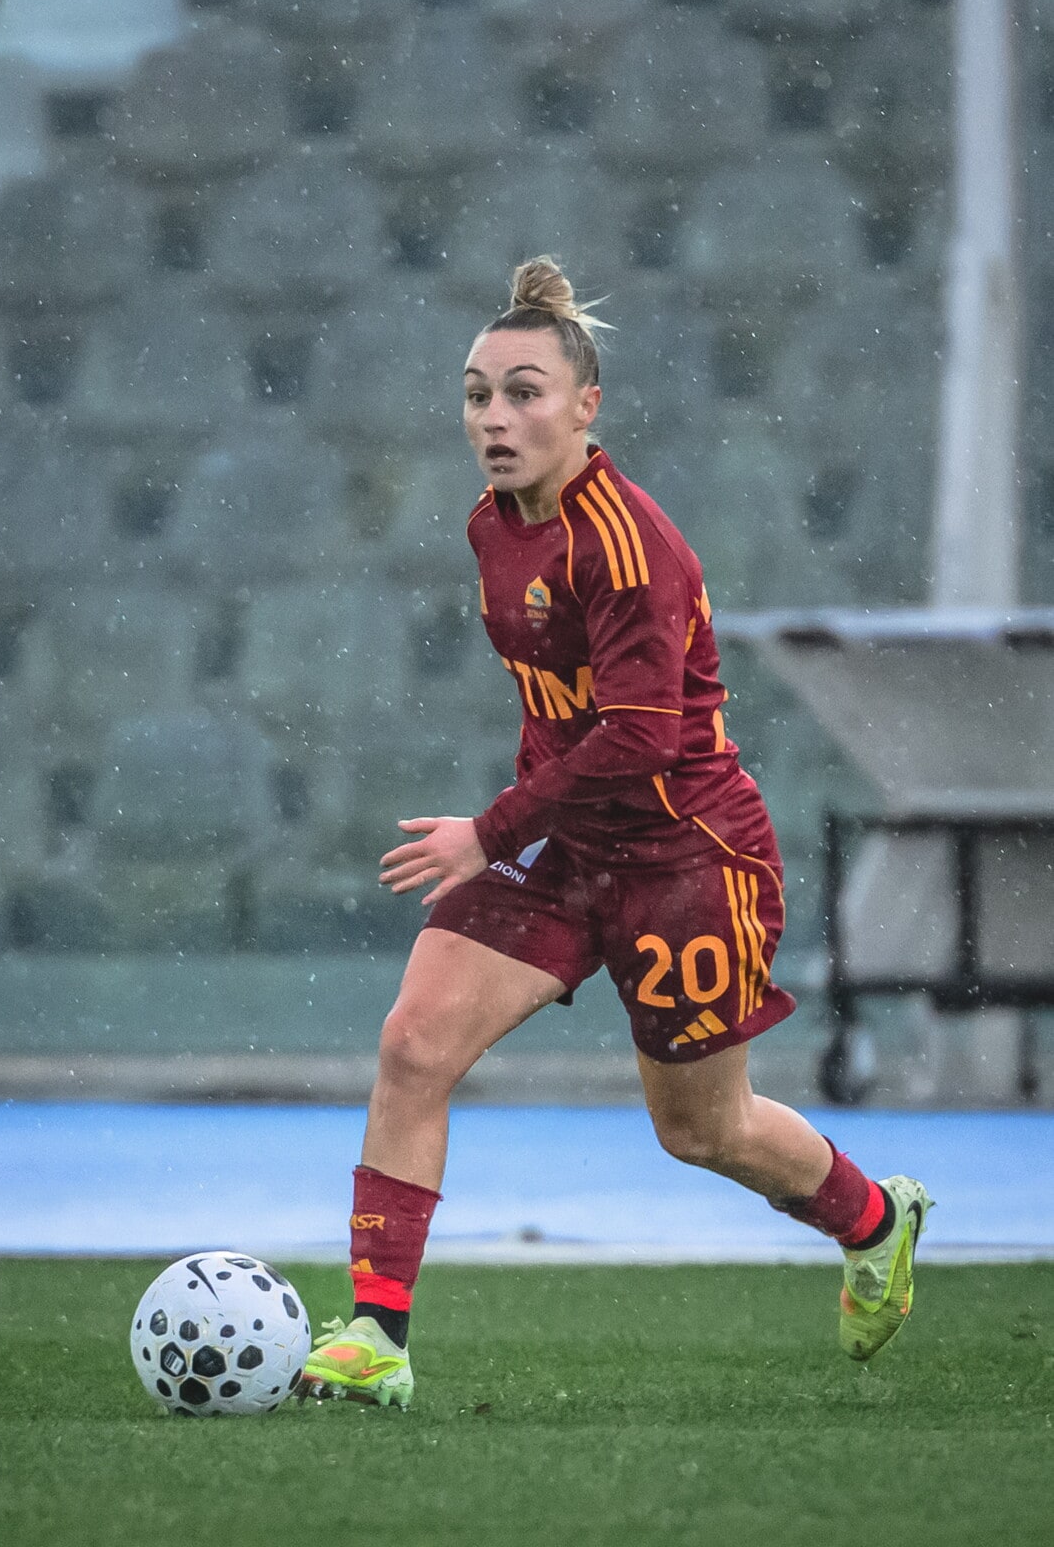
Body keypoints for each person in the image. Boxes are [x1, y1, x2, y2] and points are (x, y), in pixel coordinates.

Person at [300, 257, 933, 1410]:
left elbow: (642, 736)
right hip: (559, 843)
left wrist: (488, 831)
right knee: (414, 1047)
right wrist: (515, 834)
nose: (495, 419)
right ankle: (377, 1336)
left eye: (524, 393)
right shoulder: (493, 525)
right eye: (477, 396)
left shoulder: (628, 544)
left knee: (702, 1129)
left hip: (687, 854)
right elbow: (560, 708)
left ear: (587, 405)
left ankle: (876, 1220)